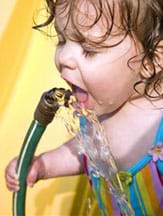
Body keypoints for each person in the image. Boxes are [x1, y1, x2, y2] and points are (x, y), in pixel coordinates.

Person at [5, 0, 163, 215]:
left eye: (89, 50)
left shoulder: (157, 123)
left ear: (151, 60)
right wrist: (44, 165)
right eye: (62, 40)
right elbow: (88, 151)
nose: (63, 58)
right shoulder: (93, 111)